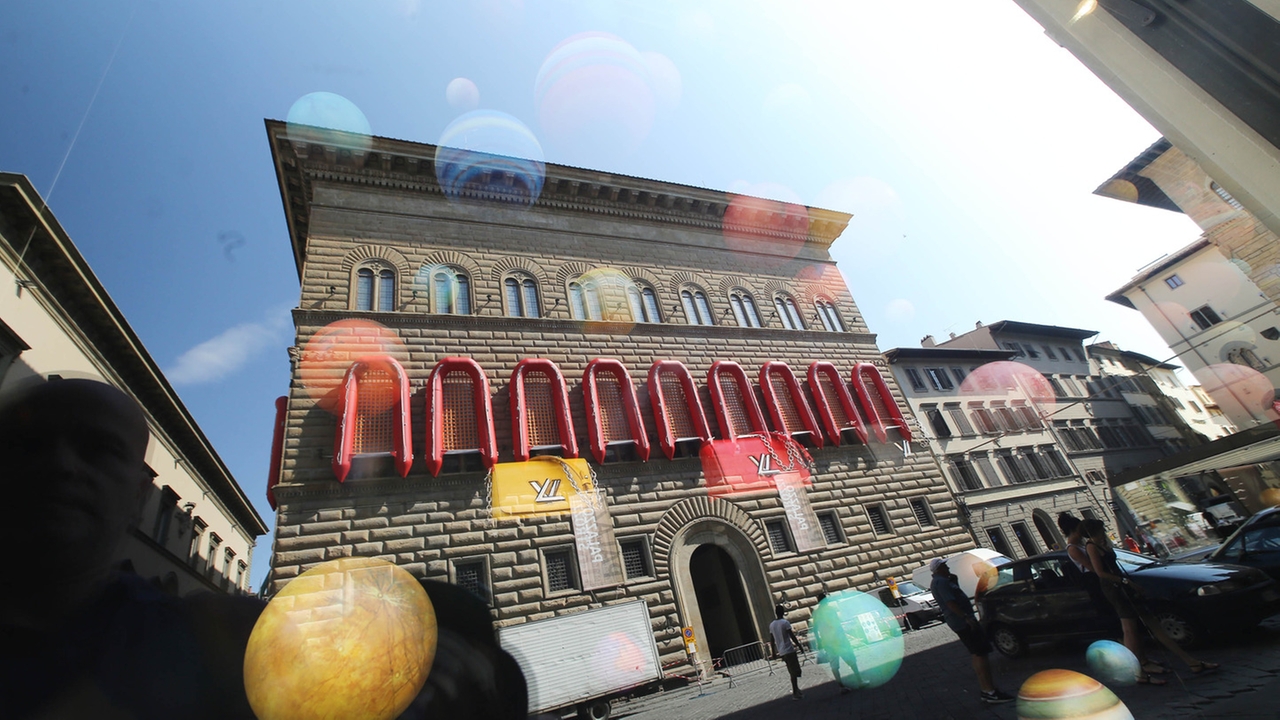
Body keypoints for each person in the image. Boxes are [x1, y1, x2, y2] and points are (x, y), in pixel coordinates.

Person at [0, 379, 261, 719]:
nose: (61, 465)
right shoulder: (201, 652)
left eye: (99, 449)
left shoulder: (223, 650)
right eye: (30, 444)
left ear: (141, 494)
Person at [1080, 519, 1219, 684]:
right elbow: (1100, 573)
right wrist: (1125, 582)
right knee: (1130, 630)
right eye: (1100, 529)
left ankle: (1192, 662)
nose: (1103, 531)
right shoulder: (1092, 546)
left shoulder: (1101, 543)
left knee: (1153, 625)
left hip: (1123, 586)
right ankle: (1137, 673)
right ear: (1093, 531)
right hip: (1115, 589)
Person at [928, 558, 1015, 705]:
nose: (948, 567)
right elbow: (951, 603)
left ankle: (987, 690)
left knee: (977, 653)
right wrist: (967, 617)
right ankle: (989, 691)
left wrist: (954, 582)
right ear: (939, 568)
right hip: (963, 622)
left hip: (960, 621)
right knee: (981, 653)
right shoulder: (941, 582)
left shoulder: (941, 581)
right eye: (945, 565)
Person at [813, 592, 860, 693]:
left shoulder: (816, 613)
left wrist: (819, 641)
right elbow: (837, 625)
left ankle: (841, 686)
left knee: (834, 665)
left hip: (827, 642)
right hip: (838, 640)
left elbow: (815, 628)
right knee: (851, 659)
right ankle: (860, 680)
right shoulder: (830, 610)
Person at [768, 603, 804, 700]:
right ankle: (795, 692)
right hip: (789, 650)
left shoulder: (772, 625)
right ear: (783, 612)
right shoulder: (785, 623)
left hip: (782, 651)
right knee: (794, 672)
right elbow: (791, 636)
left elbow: (772, 640)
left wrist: (774, 653)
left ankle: (797, 689)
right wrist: (799, 645)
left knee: (792, 671)